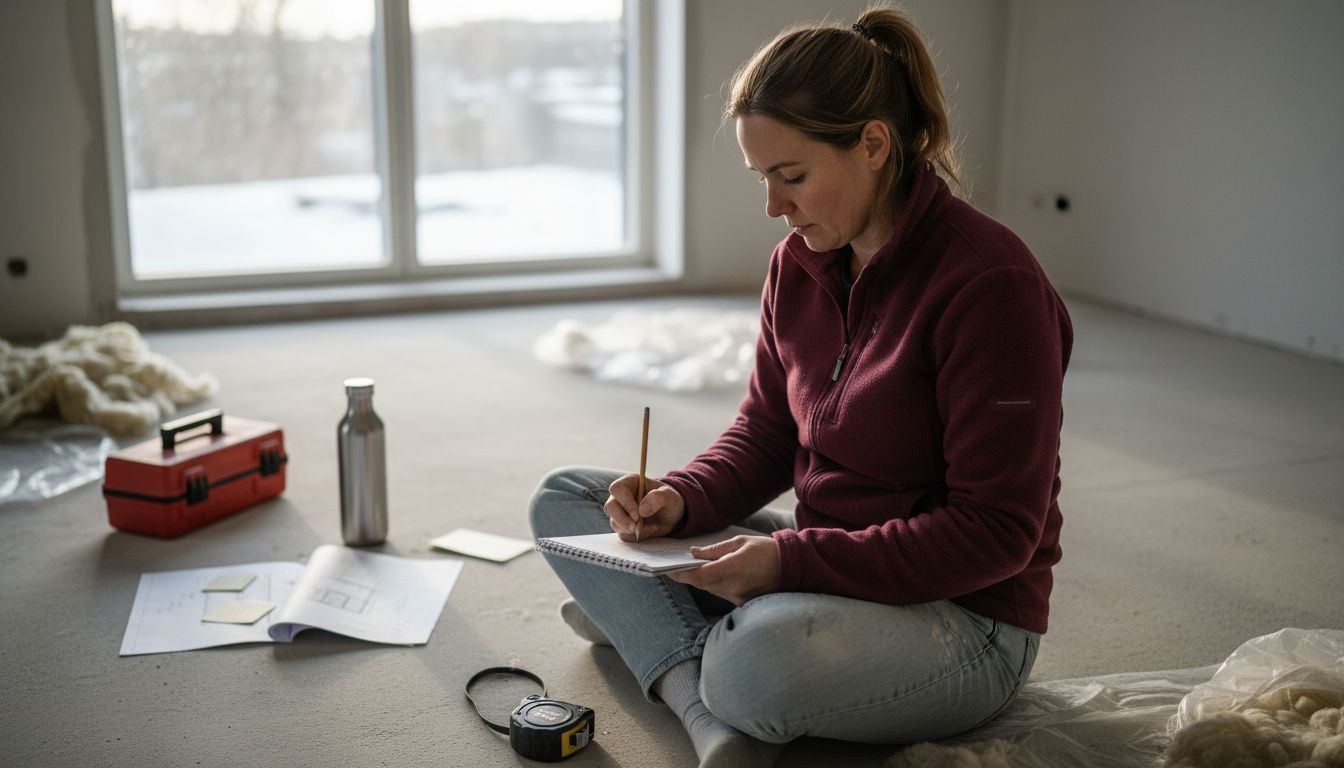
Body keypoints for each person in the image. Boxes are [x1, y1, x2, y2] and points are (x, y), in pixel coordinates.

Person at [529, 6, 1073, 766]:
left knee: (753, 666)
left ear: (874, 144)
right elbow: (767, 432)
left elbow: (995, 534)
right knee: (566, 502)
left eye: (792, 176)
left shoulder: (992, 286)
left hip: (963, 617)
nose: (772, 206)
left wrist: (789, 564)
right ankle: (698, 690)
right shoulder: (801, 263)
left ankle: (661, 639)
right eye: (762, 178)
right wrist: (677, 499)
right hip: (828, 558)